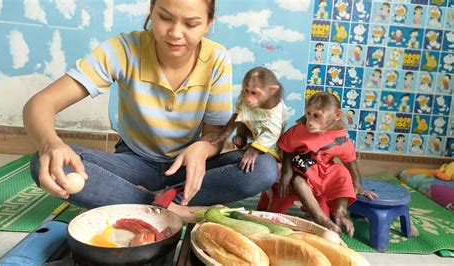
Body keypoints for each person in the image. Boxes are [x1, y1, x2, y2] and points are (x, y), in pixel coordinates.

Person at [22, 0, 278, 222]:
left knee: (264, 168)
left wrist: (203, 148)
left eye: (191, 24)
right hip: (134, 164)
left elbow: (215, 135)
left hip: (185, 167)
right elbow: (40, 103)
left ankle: (141, 199)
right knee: (47, 163)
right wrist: (50, 143)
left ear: (208, 23)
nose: (175, 33)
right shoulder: (123, 49)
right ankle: (171, 208)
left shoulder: (217, 59)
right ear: (151, 11)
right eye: (165, 17)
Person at [276, 92, 378, 236]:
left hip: (324, 169)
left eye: (316, 116)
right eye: (308, 114)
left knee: (342, 172)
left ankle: (341, 211)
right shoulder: (299, 131)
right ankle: (321, 218)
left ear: (336, 116)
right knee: (299, 182)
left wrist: (359, 186)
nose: (310, 121)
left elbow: (350, 161)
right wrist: (287, 174)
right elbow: (286, 148)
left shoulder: (340, 137)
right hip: (304, 169)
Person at [211, 67, 287, 172]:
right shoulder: (245, 96)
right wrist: (223, 134)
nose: (248, 99)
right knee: (243, 115)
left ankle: (256, 149)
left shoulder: (275, 112)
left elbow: (272, 133)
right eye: (246, 91)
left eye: (254, 93)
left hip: (269, 139)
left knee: (263, 164)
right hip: (251, 127)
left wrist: (254, 150)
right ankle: (242, 139)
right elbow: (238, 115)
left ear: (272, 90)